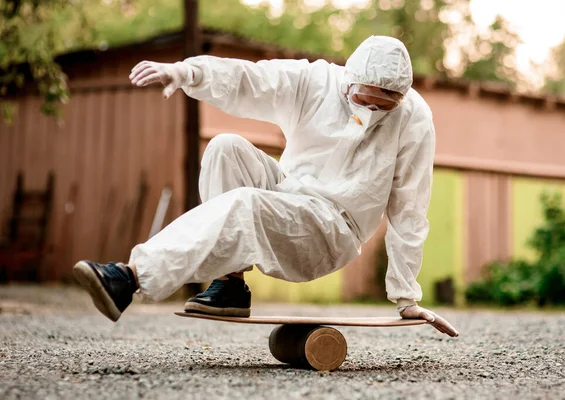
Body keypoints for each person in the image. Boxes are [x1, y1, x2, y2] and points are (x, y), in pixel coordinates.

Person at [73, 35, 459, 337]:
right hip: (289, 193)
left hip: (334, 229)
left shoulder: (415, 119)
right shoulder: (315, 82)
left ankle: (130, 277)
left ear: (402, 97)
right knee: (226, 148)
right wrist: (187, 73)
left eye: (384, 106)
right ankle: (230, 286)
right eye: (365, 100)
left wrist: (406, 296)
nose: (371, 112)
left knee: (248, 204)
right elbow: (250, 79)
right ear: (347, 82)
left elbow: (409, 207)